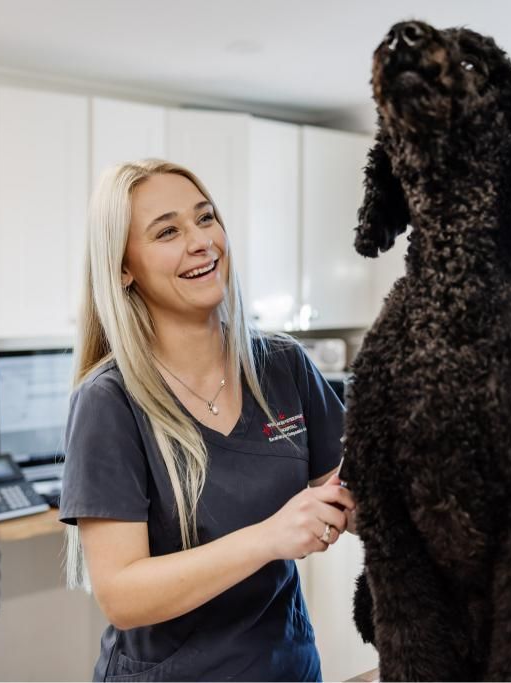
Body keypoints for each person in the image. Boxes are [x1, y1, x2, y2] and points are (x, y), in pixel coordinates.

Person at [59, 158, 356, 682]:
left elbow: (358, 490)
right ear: (123, 267)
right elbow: (123, 595)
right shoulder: (109, 401)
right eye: (167, 231)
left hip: (289, 670)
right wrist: (271, 536)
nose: (201, 241)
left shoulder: (283, 366)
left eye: (206, 217)